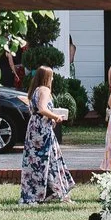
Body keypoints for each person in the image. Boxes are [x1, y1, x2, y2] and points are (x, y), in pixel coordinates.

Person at [20, 66, 73, 203]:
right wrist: (56, 117)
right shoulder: (44, 90)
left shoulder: (35, 90)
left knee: (37, 161)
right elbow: (42, 109)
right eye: (52, 76)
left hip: (34, 128)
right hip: (42, 131)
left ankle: (44, 190)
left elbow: (35, 109)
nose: (53, 78)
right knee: (49, 159)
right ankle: (56, 190)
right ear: (47, 77)